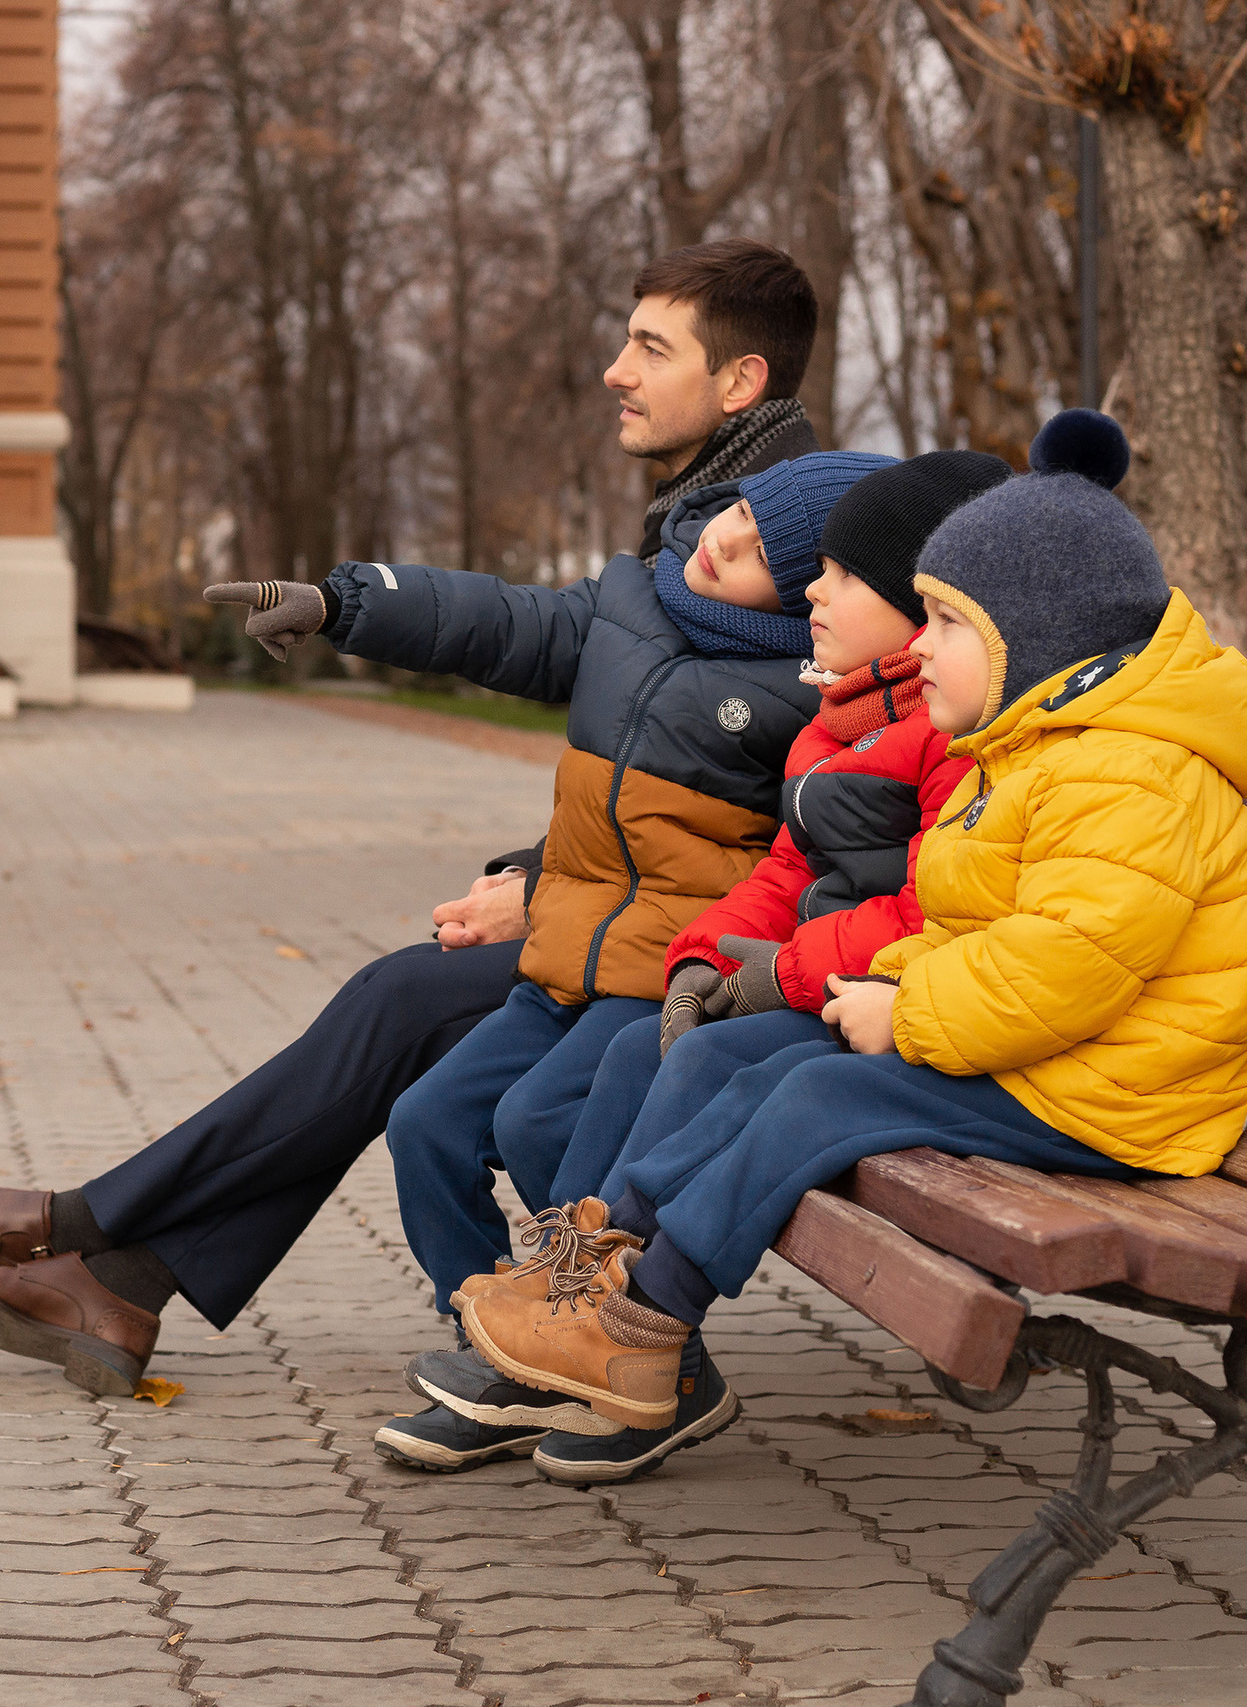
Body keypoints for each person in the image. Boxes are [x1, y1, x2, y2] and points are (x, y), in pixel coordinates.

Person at [0, 240, 830, 1397]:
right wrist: (348, 604)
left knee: (408, 1017)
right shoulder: (693, 541)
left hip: (699, 955)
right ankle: (120, 1271)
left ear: (739, 383)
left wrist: (540, 879)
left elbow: (799, 810)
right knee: (397, 1002)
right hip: (623, 917)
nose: (614, 371)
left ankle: (94, 1240)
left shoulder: (798, 560)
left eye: (649, 347)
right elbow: (576, 669)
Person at [443, 411, 1247, 1464]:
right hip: (1049, 1049)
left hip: (1116, 1093)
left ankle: (643, 1326)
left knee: (814, 1093)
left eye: (944, 621)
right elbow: (984, 928)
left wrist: (905, 1008)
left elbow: (1067, 964)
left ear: (1035, 636)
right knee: (737, 1059)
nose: (918, 643)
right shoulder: (1038, 750)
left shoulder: (1127, 771)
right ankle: (607, 1270)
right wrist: (877, 979)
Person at [378, 449, 1013, 1474]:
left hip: (870, 997)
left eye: (840, 574)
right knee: (608, 1069)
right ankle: (578, 1333)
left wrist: (775, 973)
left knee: (641, 1069)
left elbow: (930, 907)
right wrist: (702, 957)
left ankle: (599, 1345)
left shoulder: (941, 731)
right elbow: (785, 869)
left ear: (916, 608)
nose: (814, 586)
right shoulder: (841, 712)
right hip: (803, 977)